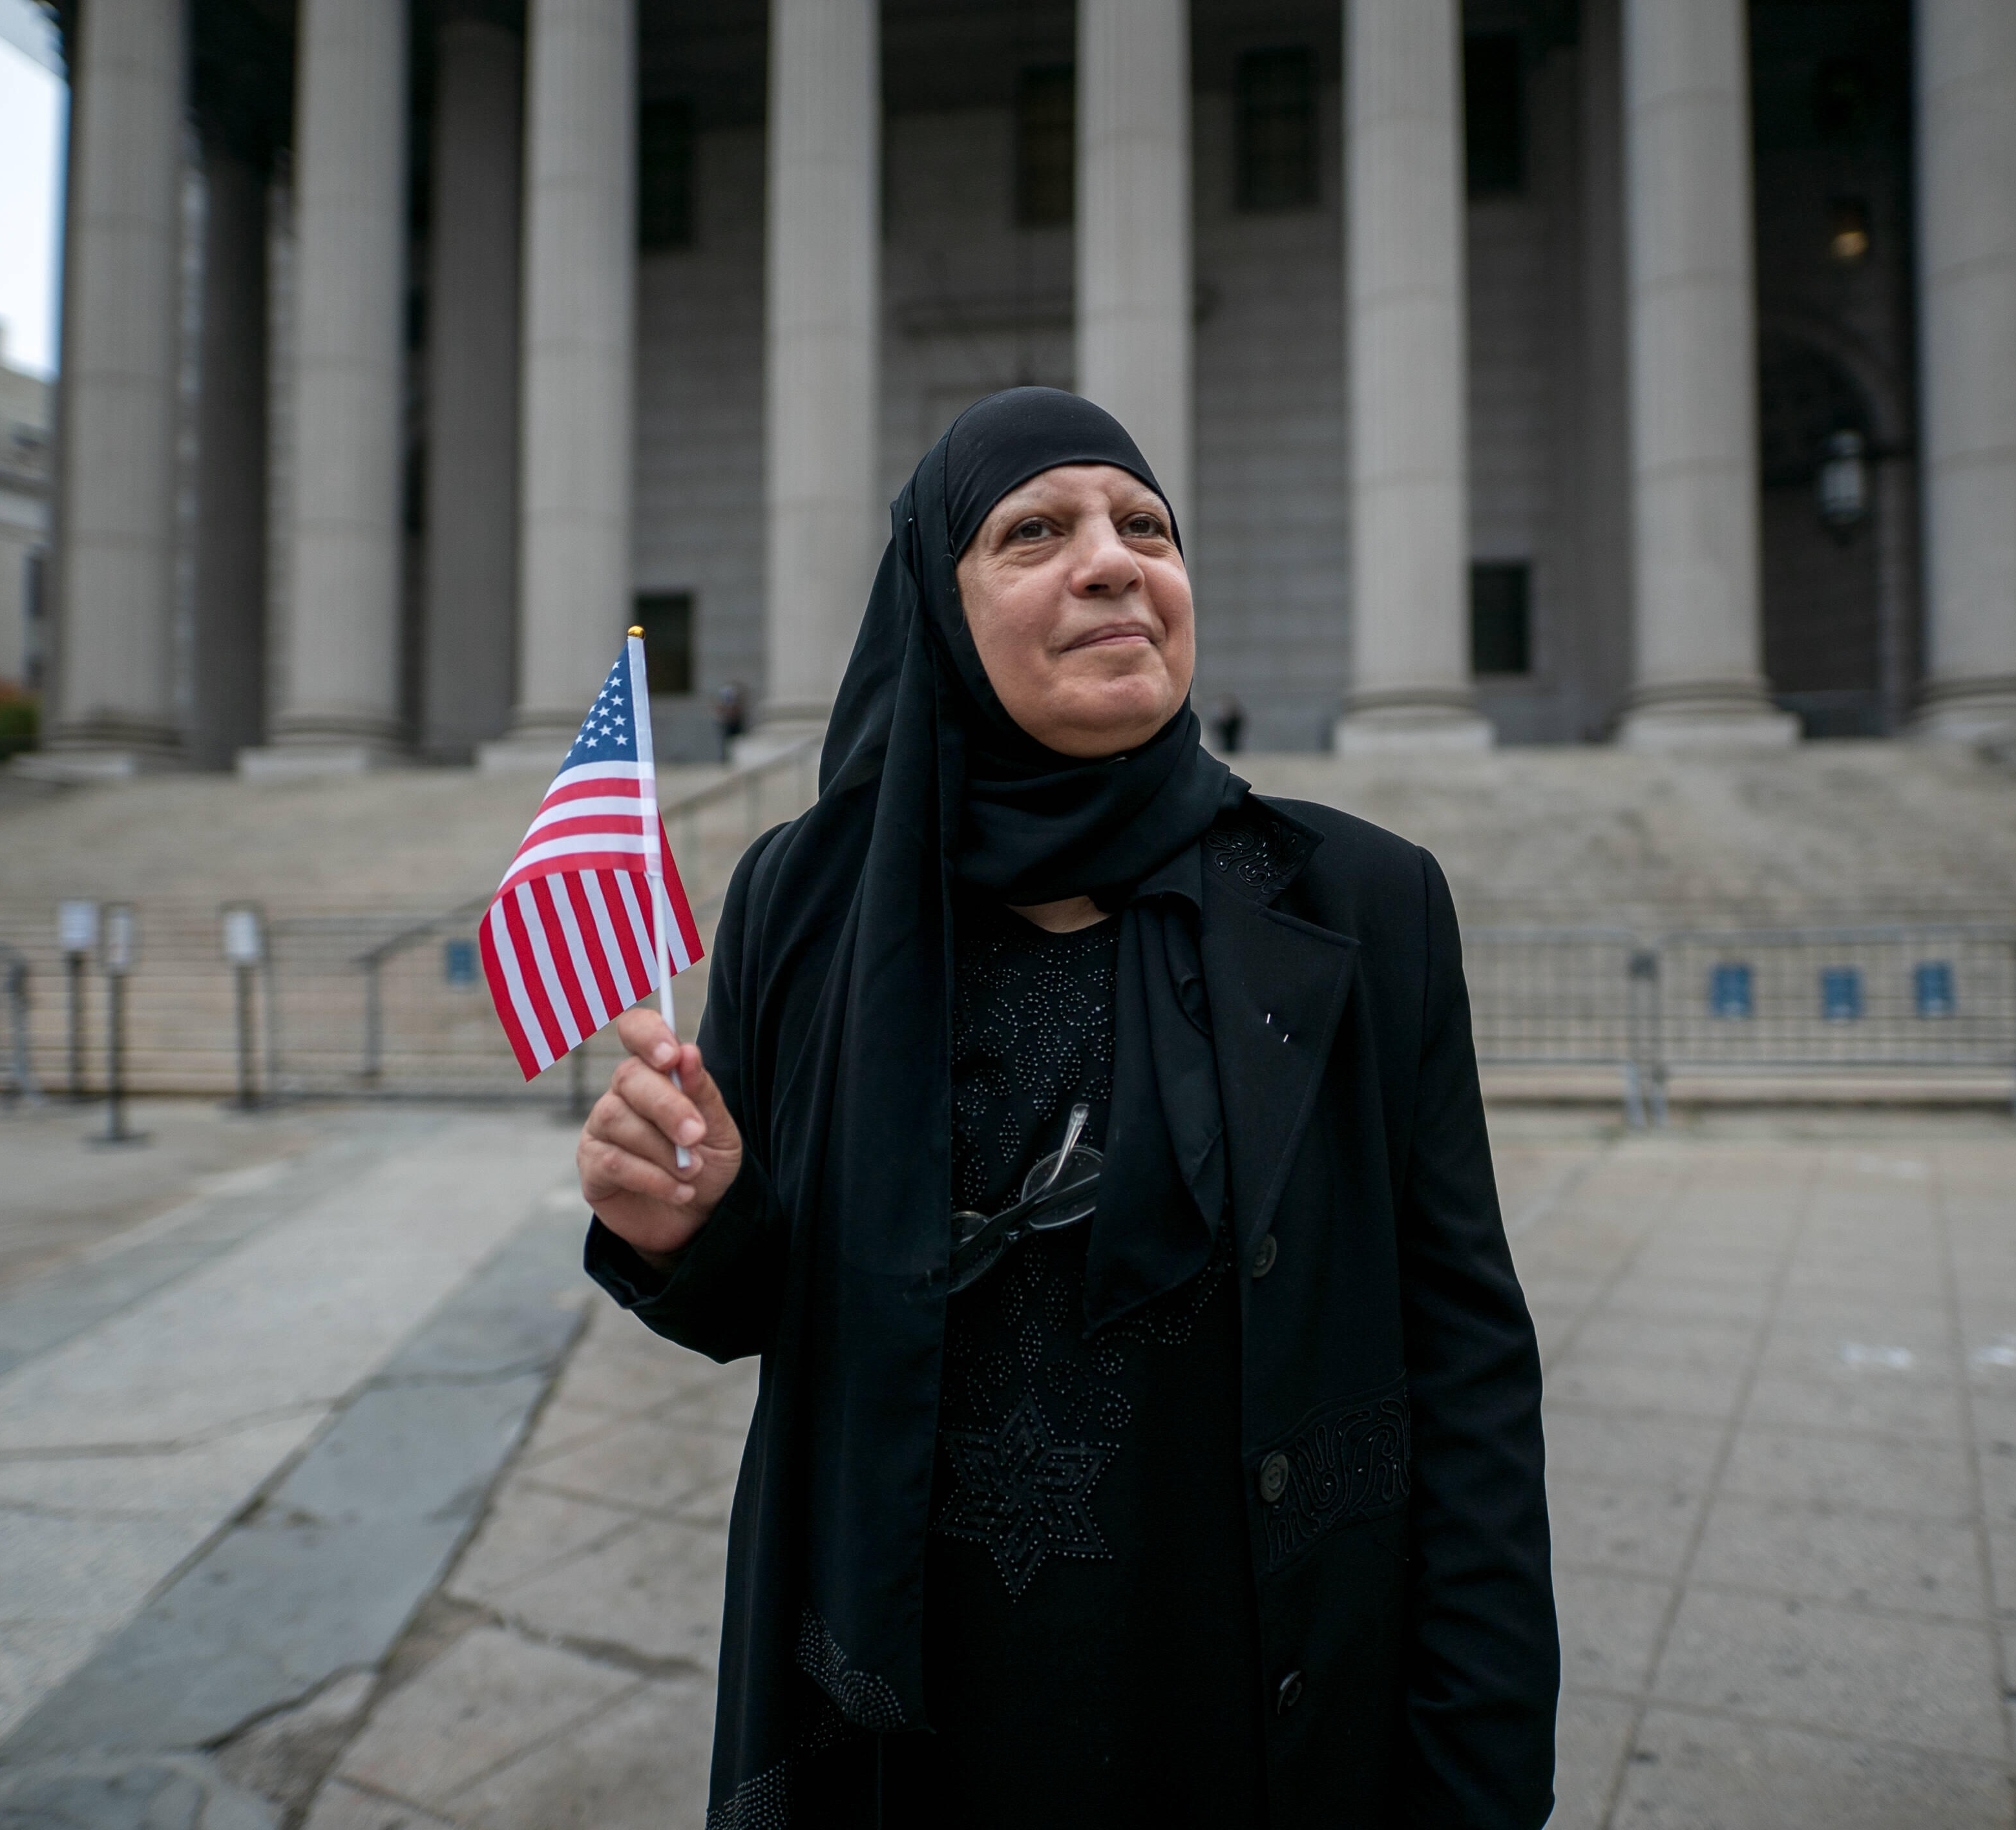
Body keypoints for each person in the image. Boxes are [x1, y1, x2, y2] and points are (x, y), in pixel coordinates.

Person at [576, 388, 1555, 1827]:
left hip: (1253, 1709)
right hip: (906, 1718)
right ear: (936, 608)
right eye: (1034, 530)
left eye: (1144, 526)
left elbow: (1466, 1363)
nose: (1112, 560)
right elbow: (772, 1310)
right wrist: (693, 1223)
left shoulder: (1358, 901)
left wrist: (1477, 1770)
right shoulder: (808, 900)